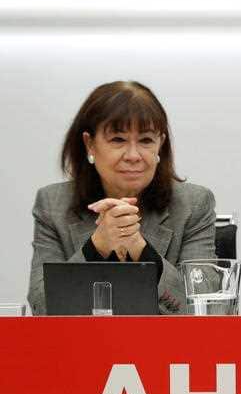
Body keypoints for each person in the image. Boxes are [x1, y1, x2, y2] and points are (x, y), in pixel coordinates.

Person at [28, 81, 217, 315]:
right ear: (90, 144)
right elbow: (42, 309)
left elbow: (205, 309)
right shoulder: (53, 205)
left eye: (146, 140)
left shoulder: (193, 204)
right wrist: (96, 247)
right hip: (84, 340)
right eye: (118, 140)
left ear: (160, 144)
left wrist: (140, 249)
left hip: (168, 341)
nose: (133, 155)